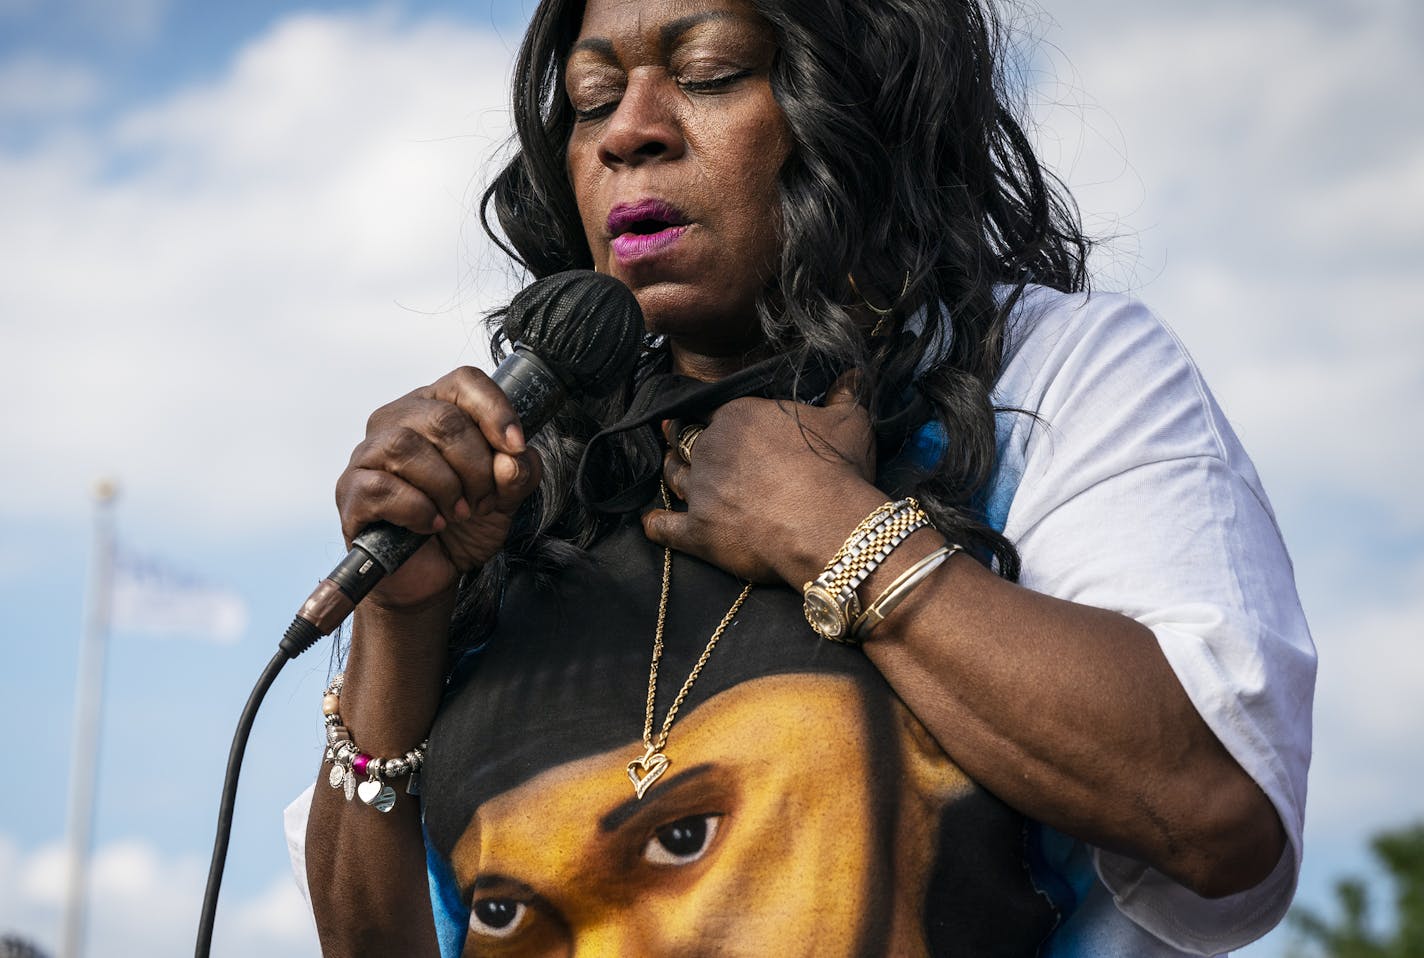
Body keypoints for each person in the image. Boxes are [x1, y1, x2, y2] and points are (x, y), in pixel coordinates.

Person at [286, 0, 1316, 954]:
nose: (626, 132)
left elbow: (1215, 809)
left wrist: (841, 537)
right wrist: (399, 622)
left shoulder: (1048, 377)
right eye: (593, 98)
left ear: (852, 105)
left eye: (708, 72)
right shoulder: (512, 496)